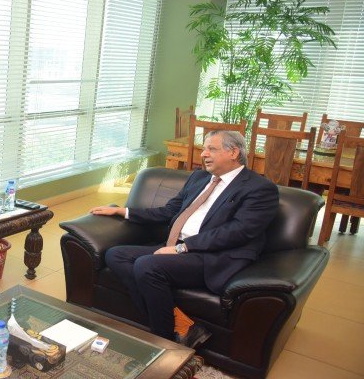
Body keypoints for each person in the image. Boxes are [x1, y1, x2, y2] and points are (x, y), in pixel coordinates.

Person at [91, 130, 279, 348]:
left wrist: (183, 248)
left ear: (234, 153)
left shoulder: (259, 188)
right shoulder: (199, 178)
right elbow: (169, 210)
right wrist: (123, 211)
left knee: (147, 265)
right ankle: (183, 327)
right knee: (116, 254)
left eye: (212, 149)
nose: (203, 154)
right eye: (204, 149)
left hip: (212, 256)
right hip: (177, 247)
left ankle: (163, 343)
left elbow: (239, 231)